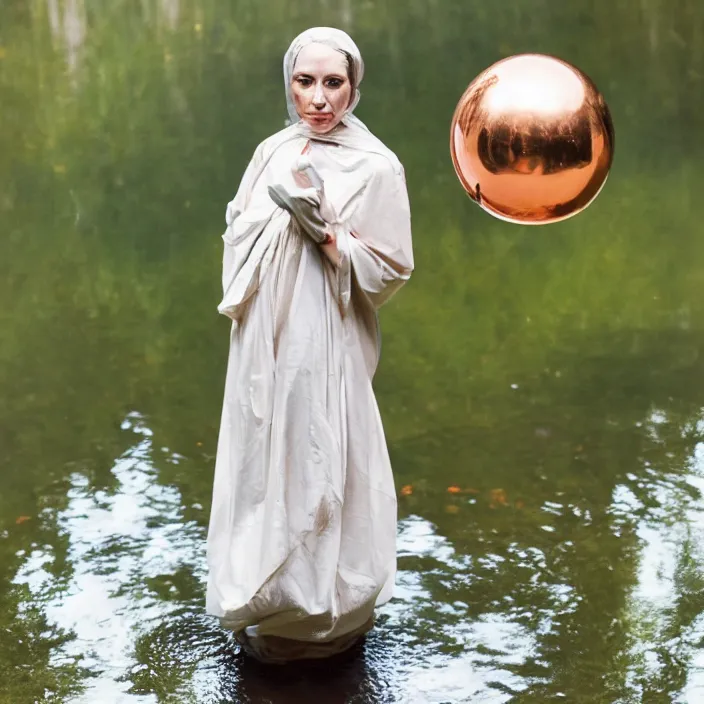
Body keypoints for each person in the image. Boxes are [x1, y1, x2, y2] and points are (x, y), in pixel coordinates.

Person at [206, 26, 414, 664]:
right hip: (262, 340)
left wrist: (326, 232)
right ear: (289, 84)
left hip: (323, 342)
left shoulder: (378, 167)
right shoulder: (271, 150)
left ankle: (326, 607)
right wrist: (271, 219)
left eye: (333, 83)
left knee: (319, 451)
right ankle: (263, 595)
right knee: (263, 454)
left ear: (354, 87)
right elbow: (237, 228)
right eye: (306, 82)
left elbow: (391, 267)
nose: (318, 99)